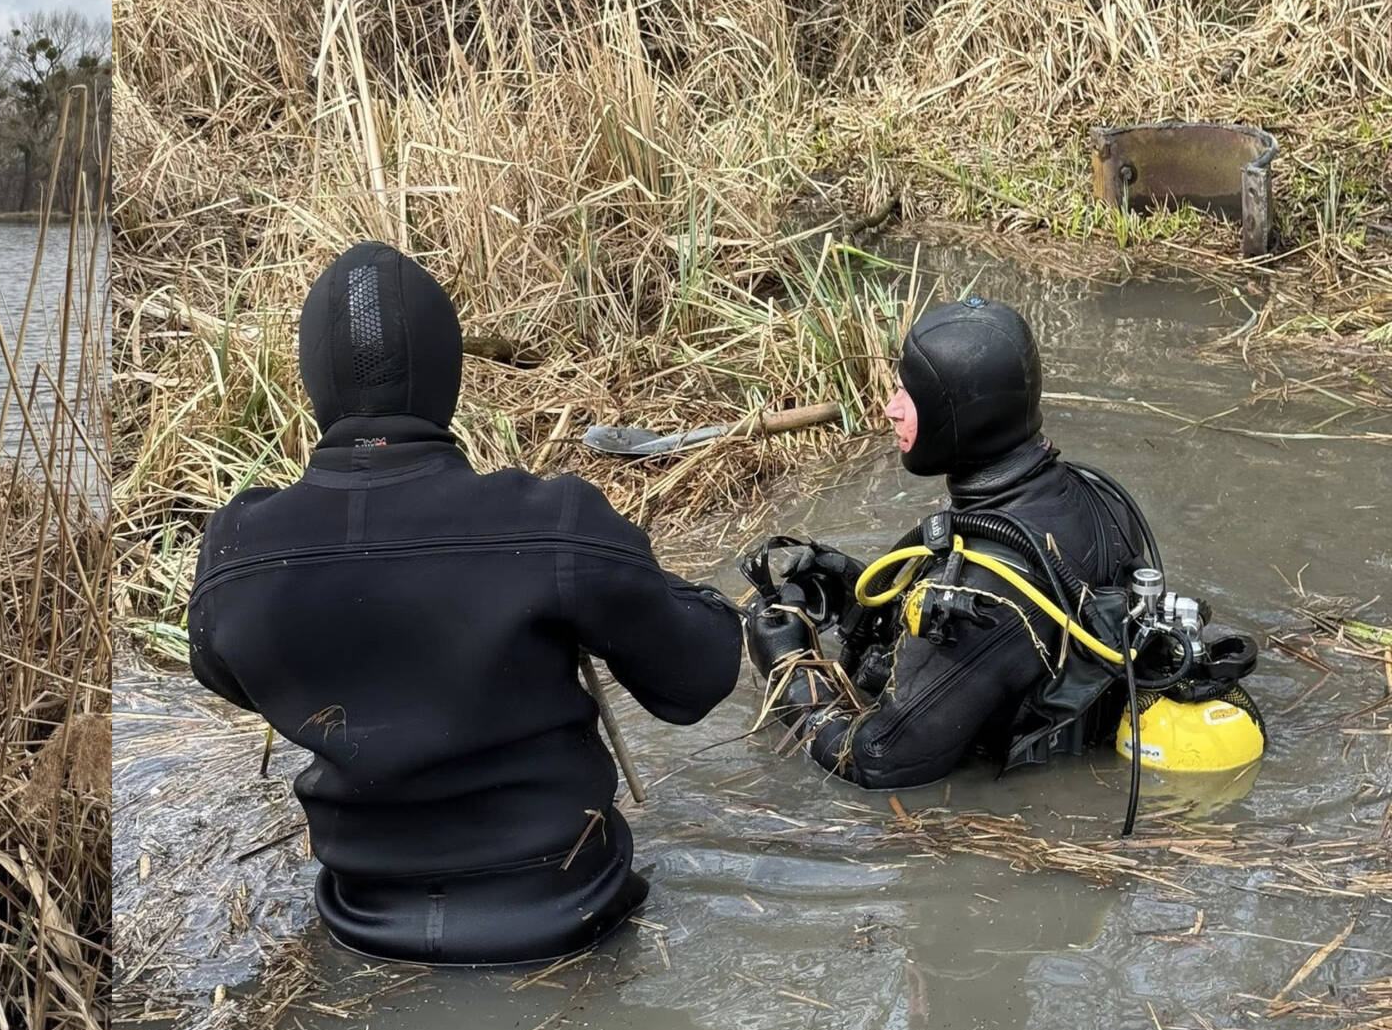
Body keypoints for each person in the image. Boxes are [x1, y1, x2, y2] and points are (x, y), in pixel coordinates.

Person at [186, 242, 745, 967]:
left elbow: (224, 672)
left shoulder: (236, 549)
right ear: (447, 374)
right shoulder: (552, 522)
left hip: (363, 927)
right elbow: (697, 680)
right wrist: (686, 596)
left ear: (314, 380)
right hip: (571, 918)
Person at [743, 296, 1159, 789]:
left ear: (957, 412)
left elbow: (879, 760)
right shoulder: (1099, 495)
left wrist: (790, 671)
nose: (891, 409)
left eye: (907, 393)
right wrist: (865, 604)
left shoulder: (983, 592)